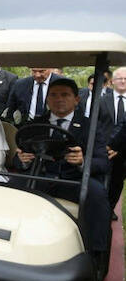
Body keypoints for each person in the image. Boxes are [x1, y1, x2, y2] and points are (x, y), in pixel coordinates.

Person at [13, 78, 111, 264]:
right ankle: (8, 240)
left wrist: (83, 161)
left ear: (76, 99)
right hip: (41, 177)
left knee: (97, 194)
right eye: (54, 95)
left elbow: (103, 163)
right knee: (11, 186)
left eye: (65, 95)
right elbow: (18, 158)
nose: (59, 99)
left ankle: (94, 254)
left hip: (74, 180)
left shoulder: (90, 126)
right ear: (47, 99)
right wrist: (22, 160)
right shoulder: (36, 124)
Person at [99, 67, 126, 220]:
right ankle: (102, 209)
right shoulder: (101, 100)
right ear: (112, 81)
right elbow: (96, 124)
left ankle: (110, 208)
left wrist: (119, 147)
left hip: (123, 152)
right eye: (119, 78)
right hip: (104, 149)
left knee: (117, 182)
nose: (122, 81)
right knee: (101, 181)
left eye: (125, 79)